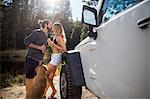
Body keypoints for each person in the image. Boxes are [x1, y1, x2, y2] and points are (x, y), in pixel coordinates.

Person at [24, 19, 52, 99]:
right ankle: (28, 97)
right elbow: (26, 42)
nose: (51, 25)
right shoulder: (36, 32)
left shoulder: (46, 36)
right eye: (50, 24)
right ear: (46, 24)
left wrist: (40, 60)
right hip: (31, 58)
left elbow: (43, 50)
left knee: (35, 79)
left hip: (38, 61)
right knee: (30, 78)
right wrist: (39, 47)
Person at [45, 22, 66, 99]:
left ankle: (53, 90)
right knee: (50, 77)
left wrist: (53, 45)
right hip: (55, 57)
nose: (52, 28)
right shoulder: (56, 36)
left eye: (53, 27)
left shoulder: (59, 37)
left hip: (56, 58)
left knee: (45, 74)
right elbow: (56, 48)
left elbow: (64, 49)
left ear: (56, 28)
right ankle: (46, 94)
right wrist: (51, 44)